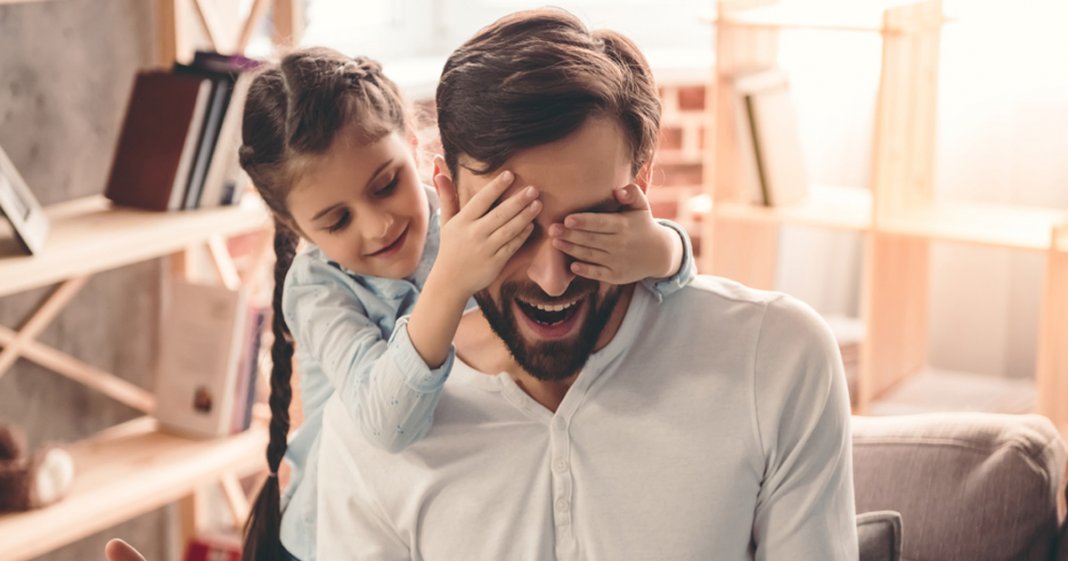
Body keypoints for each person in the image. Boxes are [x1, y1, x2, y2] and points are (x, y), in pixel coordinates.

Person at [314, 8, 857, 561]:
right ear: (450, 200)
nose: (552, 280)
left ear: (639, 188)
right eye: (511, 230)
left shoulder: (778, 360)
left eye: (586, 229)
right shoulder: (368, 432)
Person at [233, 48, 696, 561]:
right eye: (336, 221)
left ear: (413, 146)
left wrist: (661, 247)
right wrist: (450, 283)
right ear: (298, 229)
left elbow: (661, 281)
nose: (378, 225)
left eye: (387, 184)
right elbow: (387, 426)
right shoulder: (316, 289)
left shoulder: (460, 214)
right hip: (331, 537)